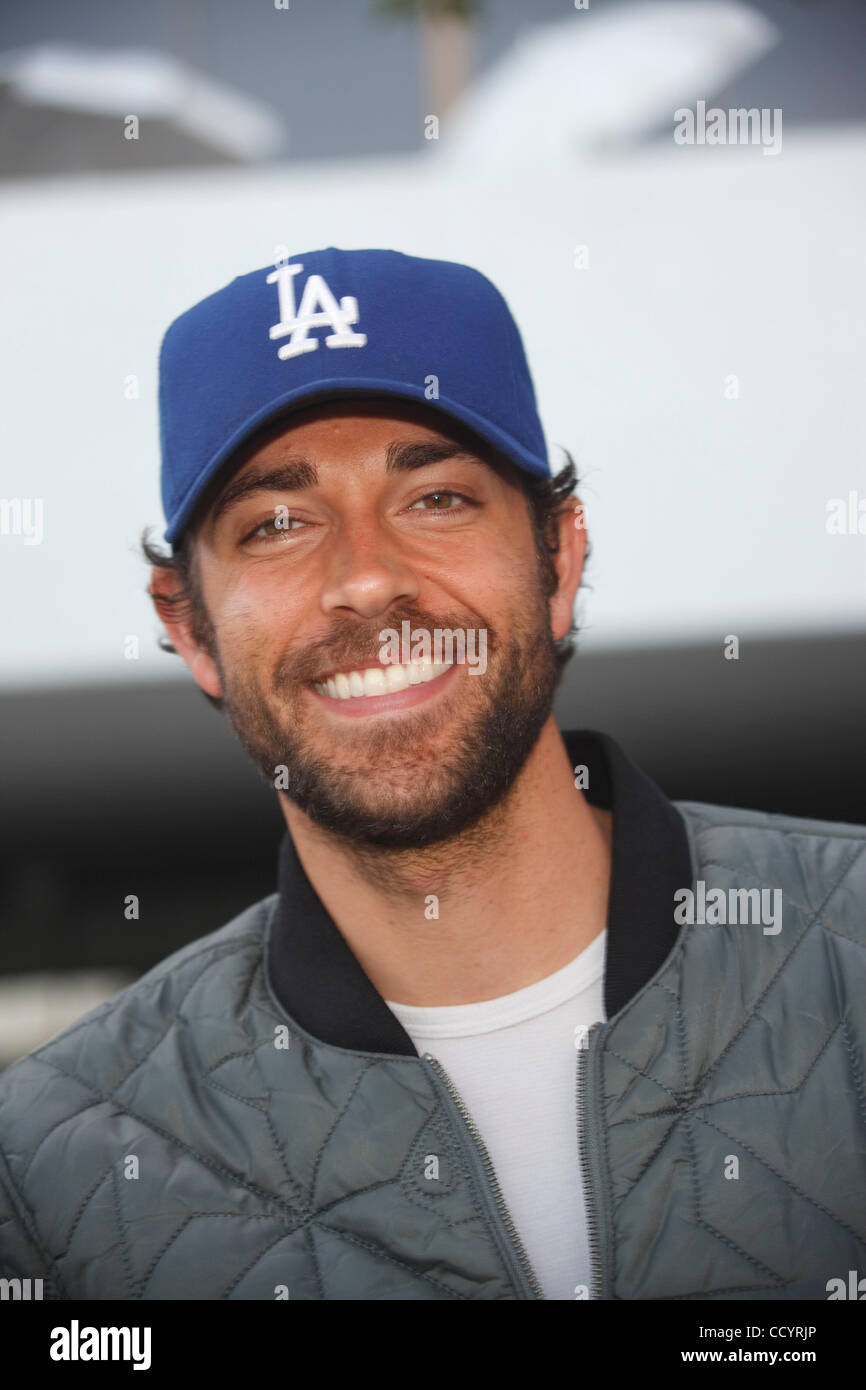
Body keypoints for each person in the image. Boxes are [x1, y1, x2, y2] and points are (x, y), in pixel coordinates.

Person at [1, 247, 863, 1302]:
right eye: (276, 523)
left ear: (559, 557)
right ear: (187, 626)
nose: (365, 578)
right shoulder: (51, 1171)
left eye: (436, 498)